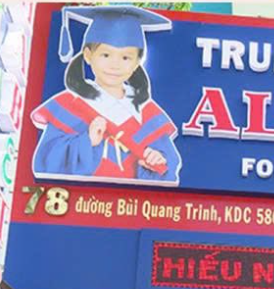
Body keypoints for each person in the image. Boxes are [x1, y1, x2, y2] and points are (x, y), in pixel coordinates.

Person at [31, 6, 181, 184]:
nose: (114, 65)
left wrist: (155, 161)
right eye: (105, 55)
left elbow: (168, 168)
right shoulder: (69, 105)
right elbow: (47, 160)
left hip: (130, 200)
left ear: (137, 63)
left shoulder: (147, 113)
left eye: (125, 58)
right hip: (81, 198)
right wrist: (87, 142)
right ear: (88, 55)